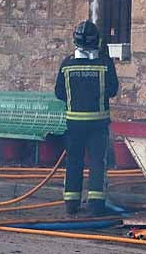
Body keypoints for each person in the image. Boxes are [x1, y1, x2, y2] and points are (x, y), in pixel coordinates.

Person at [54, 19, 118, 215]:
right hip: (98, 124)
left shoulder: (67, 64)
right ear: (96, 41)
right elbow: (113, 90)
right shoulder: (105, 63)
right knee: (98, 162)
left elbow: (59, 92)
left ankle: (71, 204)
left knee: (74, 161)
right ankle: (95, 204)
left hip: (74, 125)